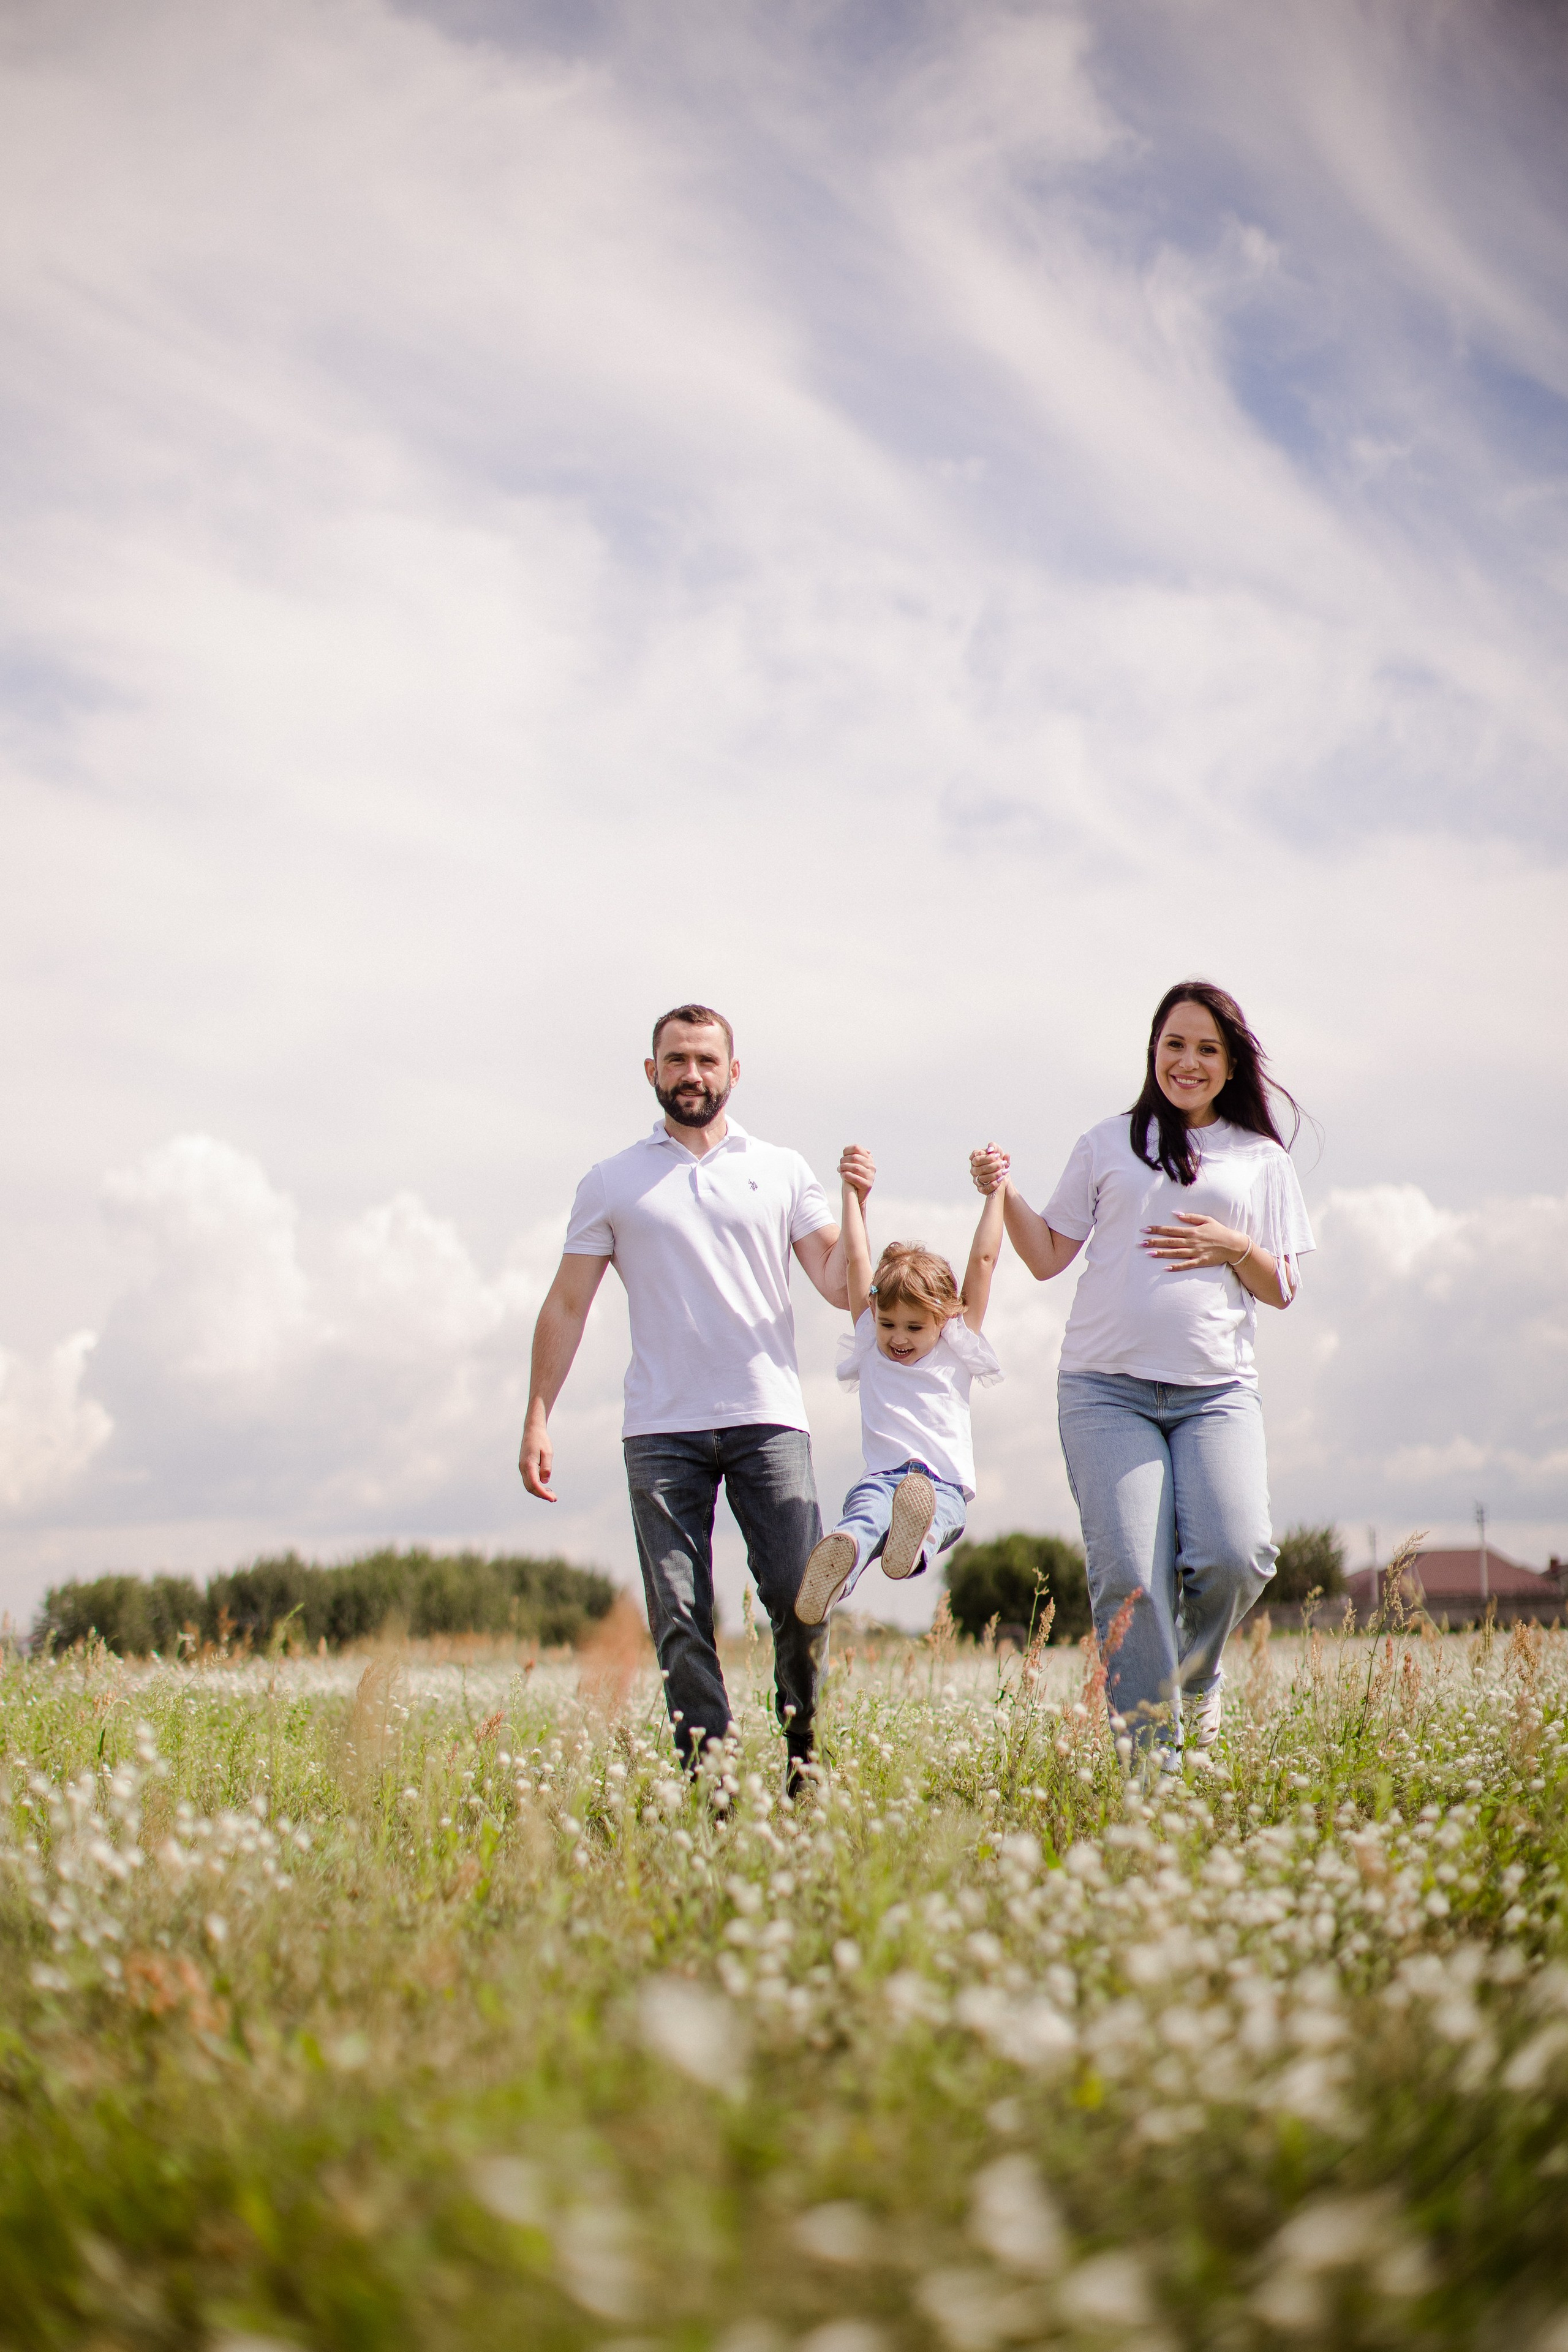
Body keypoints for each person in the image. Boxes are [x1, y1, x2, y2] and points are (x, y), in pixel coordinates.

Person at [519, 1002, 872, 1783]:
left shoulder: (781, 1168)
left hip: (767, 1417)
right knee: (679, 1615)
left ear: (732, 1072)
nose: (691, 1074)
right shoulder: (611, 1181)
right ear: (652, 1071)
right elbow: (567, 1304)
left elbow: (838, 1282)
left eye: (706, 1060)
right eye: (676, 1060)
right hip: (660, 1428)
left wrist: (854, 1204)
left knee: (802, 1595)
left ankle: (803, 1754)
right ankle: (710, 1781)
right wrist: (538, 1415)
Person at [971, 980, 1314, 1762]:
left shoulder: (1260, 1159)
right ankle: (1153, 1773)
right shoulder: (1105, 1143)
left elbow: (1283, 1287)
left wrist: (1233, 1247)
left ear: (1231, 1066)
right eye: (1173, 1045)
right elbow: (1045, 1256)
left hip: (1215, 1393)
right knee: (1130, 1578)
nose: (1187, 1062)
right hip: (1105, 1392)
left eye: (1206, 1049)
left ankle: (1197, 1675)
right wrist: (1005, 1190)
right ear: (1153, 1050)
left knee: (1237, 1555)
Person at [795, 1156, 1005, 1626]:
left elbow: (983, 1261)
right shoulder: (870, 1340)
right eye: (888, 1323)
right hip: (885, 1480)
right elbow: (856, 1259)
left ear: (944, 1317)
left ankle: (908, 1546)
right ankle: (844, 1564)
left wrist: (996, 1195)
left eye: (913, 1327)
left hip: (939, 1488)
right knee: (863, 1521)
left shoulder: (956, 1344)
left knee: (920, 1516)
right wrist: (851, 1194)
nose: (897, 1337)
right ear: (875, 1313)